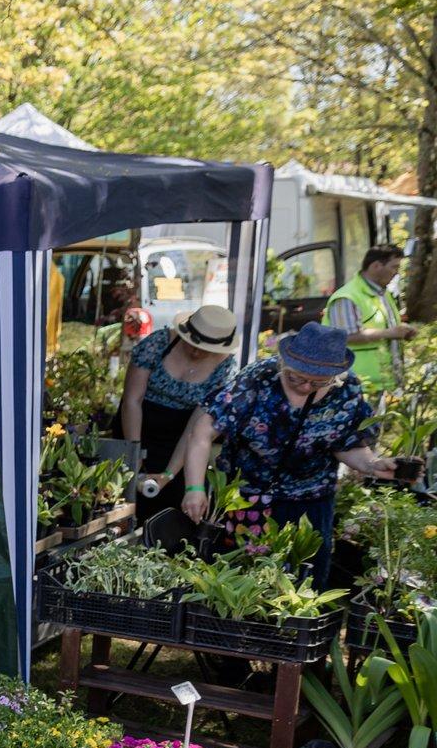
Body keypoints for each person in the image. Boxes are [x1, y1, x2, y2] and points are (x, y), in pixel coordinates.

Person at [179, 321, 399, 584]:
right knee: (241, 579)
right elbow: (202, 433)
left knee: (303, 583)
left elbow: (345, 445)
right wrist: (194, 489)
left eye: (318, 382)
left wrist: (373, 465)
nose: (306, 387)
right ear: (285, 363)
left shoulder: (347, 390)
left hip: (310, 501)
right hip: (248, 498)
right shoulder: (257, 379)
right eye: (297, 377)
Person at [117, 304, 240, 519]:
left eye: (204, 348)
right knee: (121, 499)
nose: (195, 351)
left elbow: (195, 430)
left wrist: (169, 474)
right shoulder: (157, 343)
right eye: (191, 342)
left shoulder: (225, 370)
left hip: (180, 441)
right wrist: (134, 453)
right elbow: (132, 400)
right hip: (136, 424)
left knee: (165, 507)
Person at [323, 245, 417, 389]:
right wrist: (390, 333)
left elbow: (387, 329)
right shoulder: (347, 297)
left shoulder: (383, 293)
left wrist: (403, 333)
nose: (397, 273)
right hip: (357, 385)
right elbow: (345, 336)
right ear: (376, 266)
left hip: (386, 382)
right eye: (394, 267)